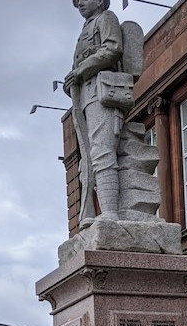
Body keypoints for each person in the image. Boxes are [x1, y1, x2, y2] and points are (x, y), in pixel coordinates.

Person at [64, 0, 128, 223]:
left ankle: (110, 211)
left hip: (101, 94)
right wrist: (72, 80)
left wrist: (81, 70)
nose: (78, 3)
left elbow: (113, 48)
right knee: (88, 160)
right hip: (84, 98)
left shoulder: (105, 18)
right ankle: (90, 213)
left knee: (102, 152)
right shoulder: (85, 30)